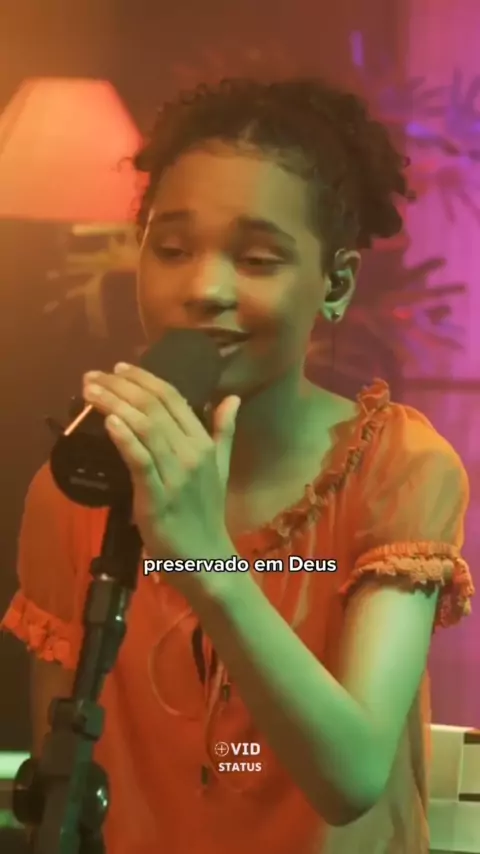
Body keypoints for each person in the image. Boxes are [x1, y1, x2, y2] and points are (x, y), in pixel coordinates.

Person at [1, 77, 475, 854]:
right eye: (172, 249)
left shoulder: (398, 467)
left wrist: (204, 559)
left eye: (256, 259)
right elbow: (66, 783)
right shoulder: (81, 483)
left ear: (336, 282)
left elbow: (351, 776)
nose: (204, 288)